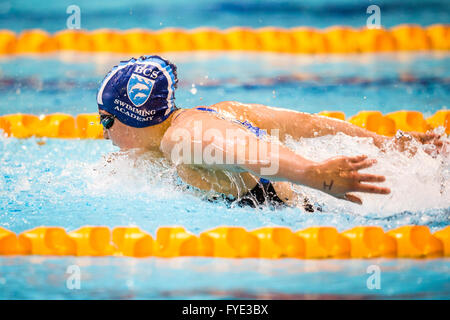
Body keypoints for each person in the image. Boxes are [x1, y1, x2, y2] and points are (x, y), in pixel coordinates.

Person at [97, 55, 444, 210]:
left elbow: (246, 151)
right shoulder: (216, 112)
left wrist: (314, 175)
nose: (104, 134)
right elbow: (308, 124)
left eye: (106, 121)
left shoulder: (181, 139)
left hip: (316, 209)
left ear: (135, 117)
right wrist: (386, 144)